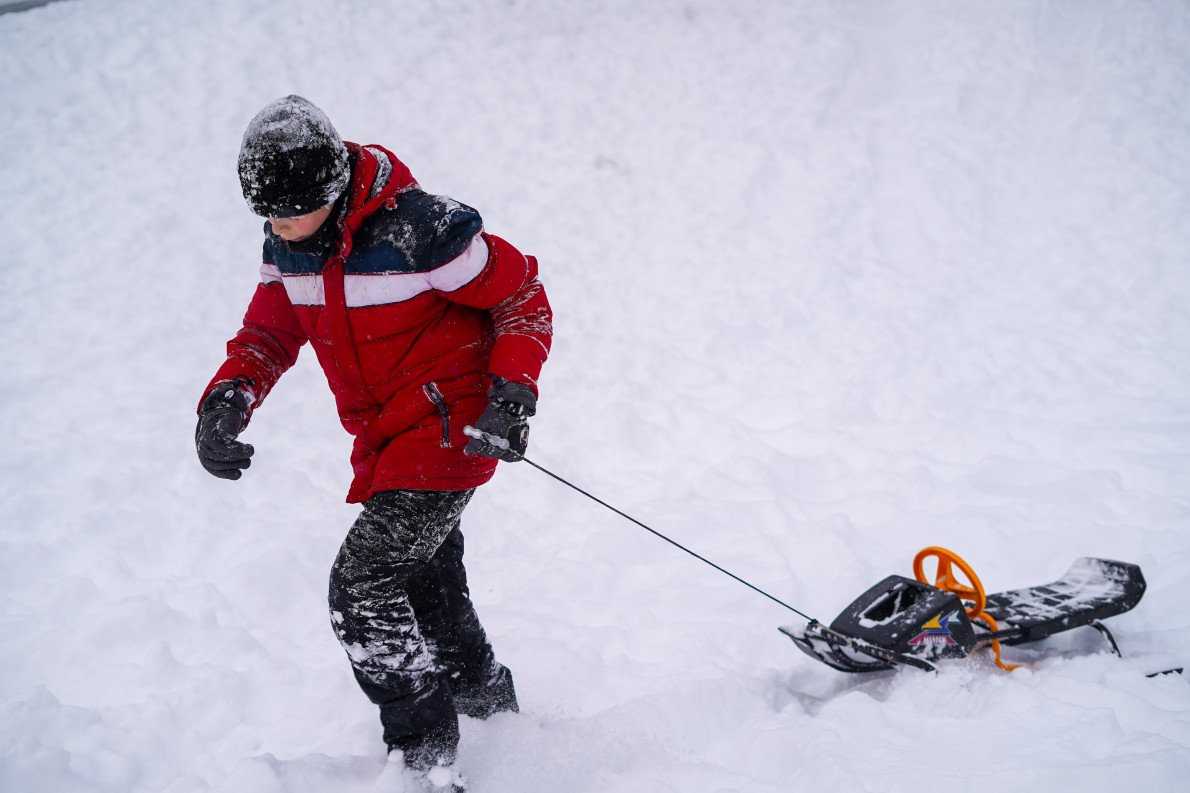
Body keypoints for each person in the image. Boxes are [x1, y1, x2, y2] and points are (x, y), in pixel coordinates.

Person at [194, 95, 552, 790]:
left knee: (359, 587)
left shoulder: (425, 233)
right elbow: (268, 333)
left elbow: (522, 297)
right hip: (387, 442)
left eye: (289, 209)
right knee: (426, 581)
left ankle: (424, 757)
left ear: (329, 189)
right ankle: (490, 711)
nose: (276, 226)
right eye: (264, 212)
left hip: (453, 430)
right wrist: (228, 398)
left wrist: (514, 394)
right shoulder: (287, 244)